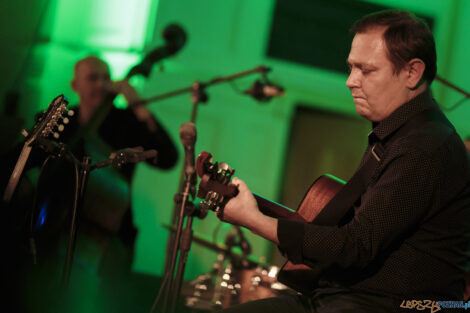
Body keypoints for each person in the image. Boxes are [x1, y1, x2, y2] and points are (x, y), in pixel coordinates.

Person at [215, 10, 470, 313]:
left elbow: (355, 247)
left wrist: (253, 220)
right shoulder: (399, 134)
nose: (350, 81)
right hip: (343, 299)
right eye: (351, 68)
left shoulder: (424, 146)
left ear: (412, 73)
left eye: (367, 70)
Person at [2, 56, 178, 313]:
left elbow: (168, 158)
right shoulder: (63, 122)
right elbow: (12, 163)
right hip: (50, 230)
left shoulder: (126, 122)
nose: (100, 84)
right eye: (92, 78)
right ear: (75, 85)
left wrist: (136, 103)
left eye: (106, 78)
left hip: (107, 237)